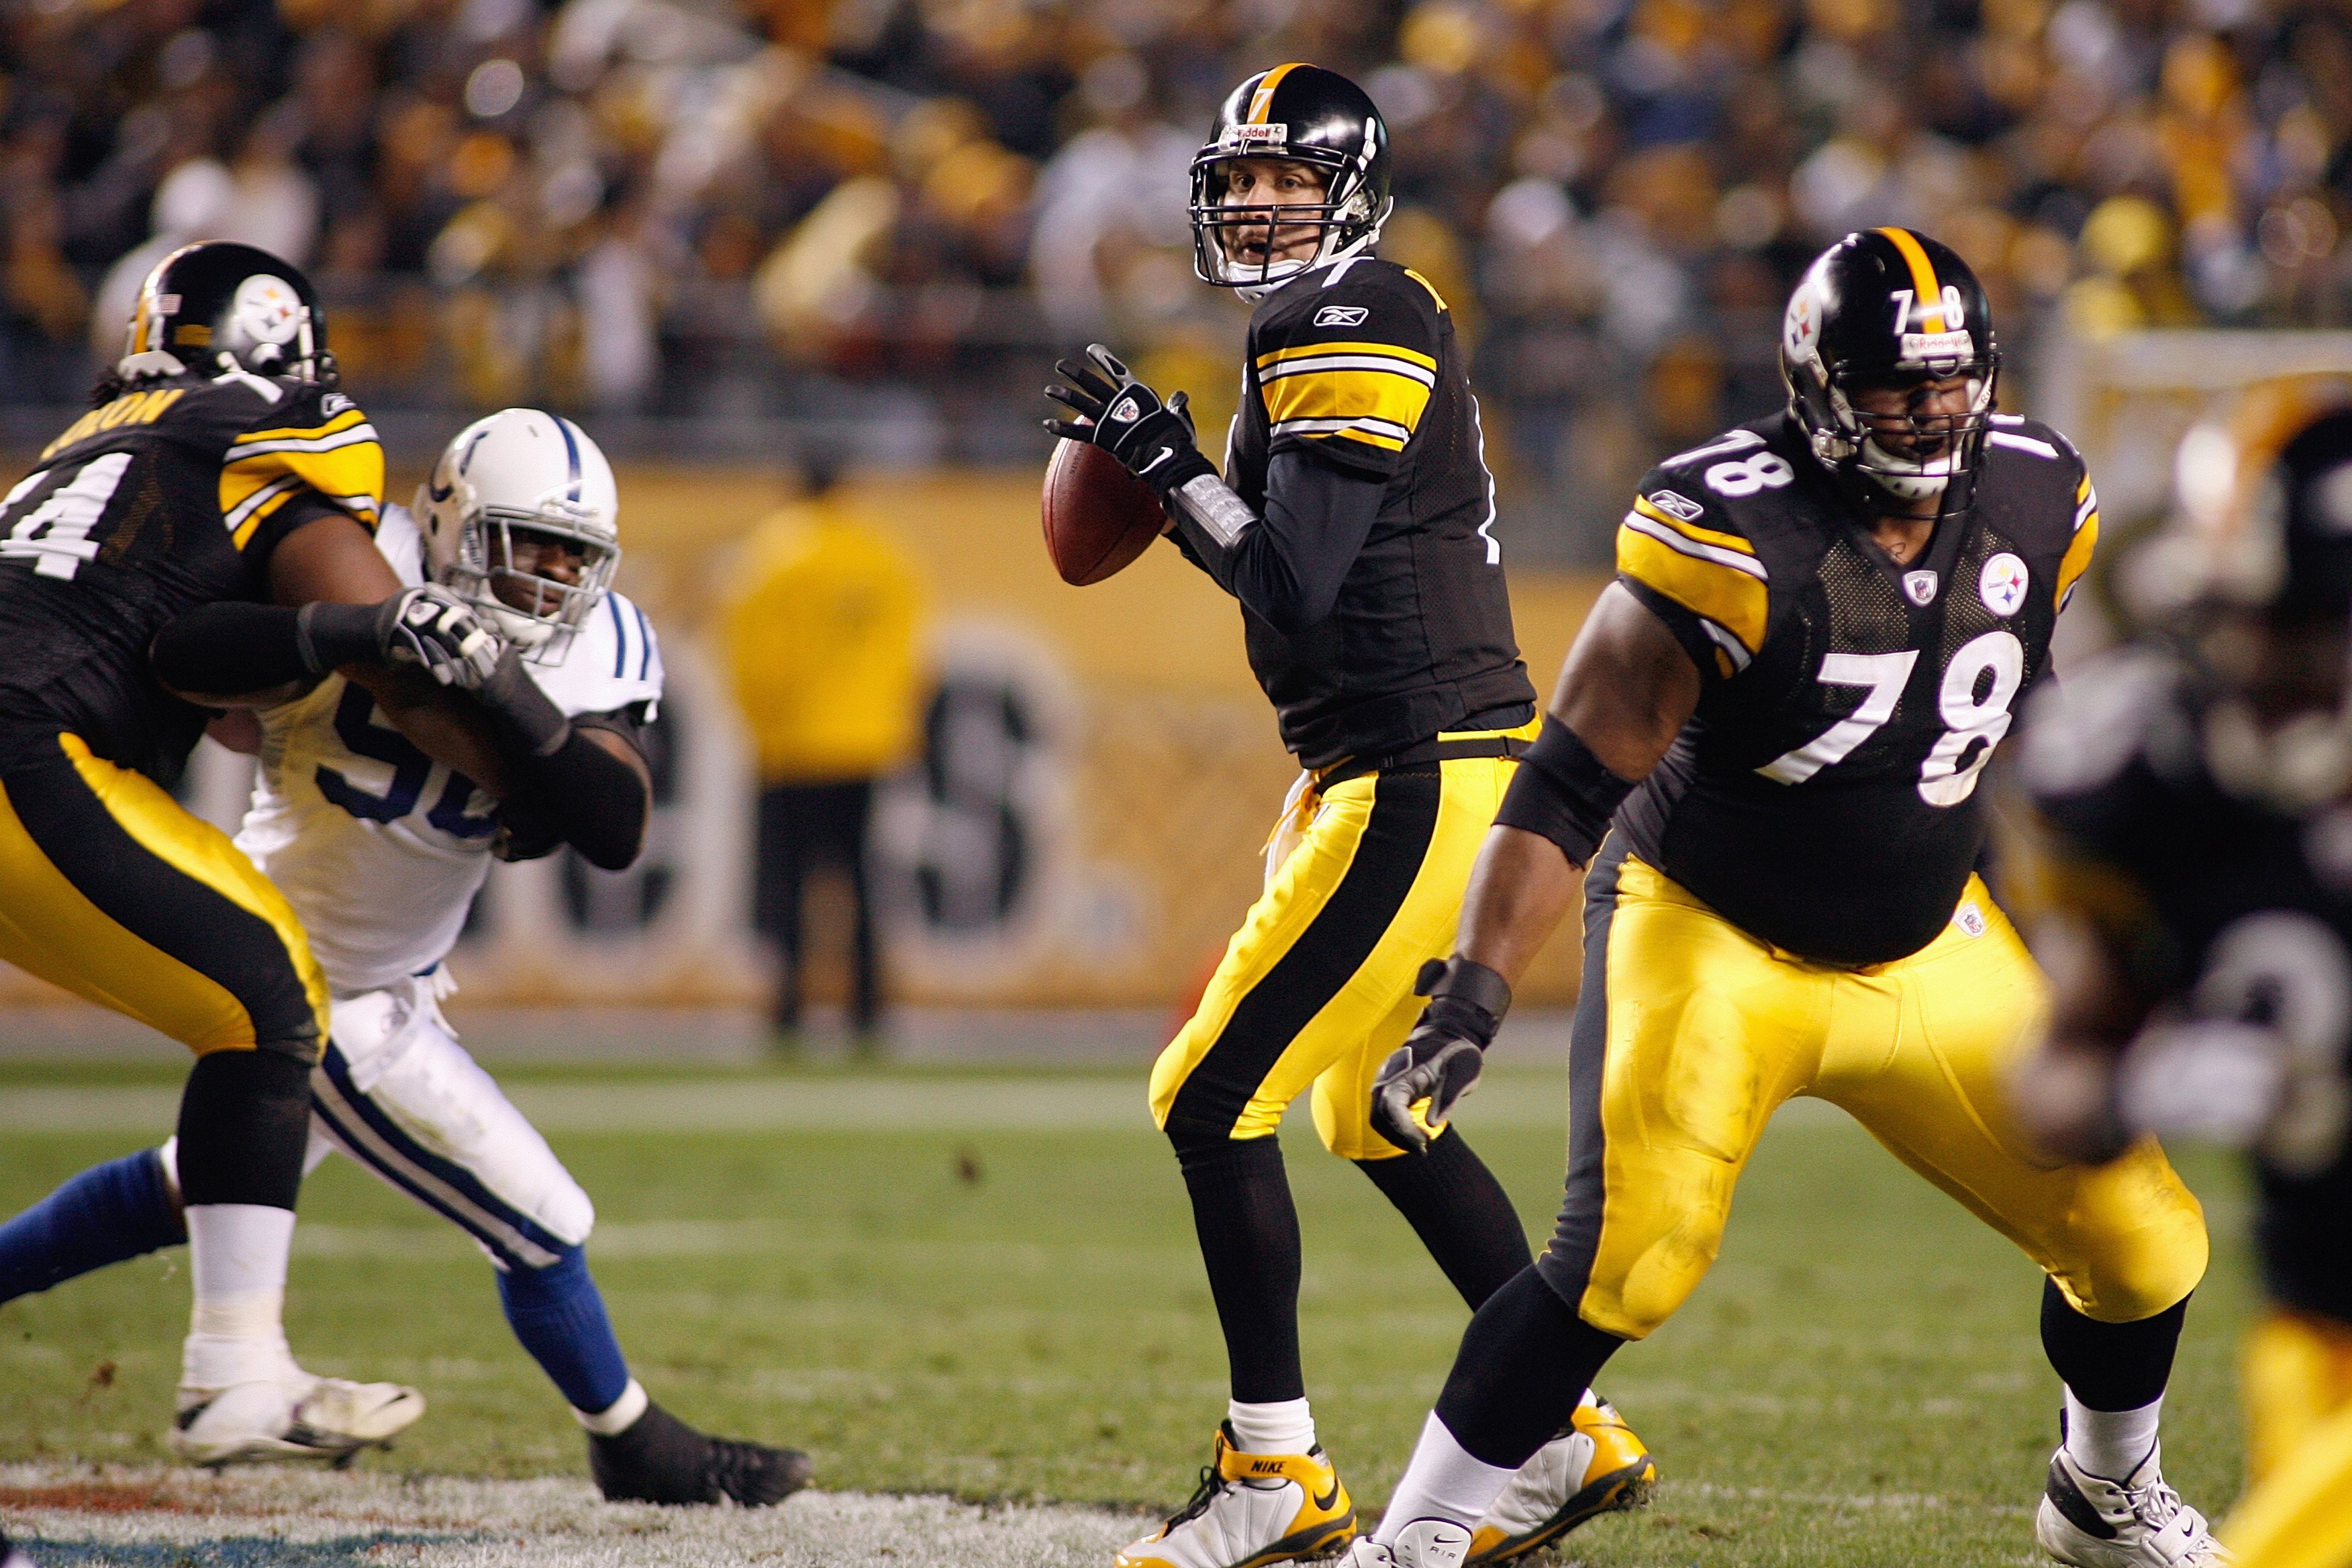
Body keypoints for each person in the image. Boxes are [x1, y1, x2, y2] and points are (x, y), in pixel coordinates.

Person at [1340, 229, 2222, 1568]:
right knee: (1632, 1252)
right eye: (1893, 389)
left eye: (1950, 382)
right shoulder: (1730, 528)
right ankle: (1409, 1542)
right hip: (1714, 929)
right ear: (1817, 389)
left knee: (2147, 1240)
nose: (1929, 415)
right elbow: (1568, 786)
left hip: (1930, 939)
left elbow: (2023, 732)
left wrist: (2108, 944)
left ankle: (2103, 1494)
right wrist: (1473, 992)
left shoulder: (2042, 492)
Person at [1044, 62, 1655, 1568]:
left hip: (1417, 764)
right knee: (1365, 1108)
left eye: (1287, 179)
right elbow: (1286, 578)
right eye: (1237, 177)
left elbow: (1296, 582)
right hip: (1421, 760)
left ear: (1351, 189)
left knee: (1205, 1097)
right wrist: (1171, 471)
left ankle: (1275, 1471)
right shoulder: (1325, 321)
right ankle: (1564, 1428)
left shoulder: (1344, 315)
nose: (1256, 201)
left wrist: (1166, 460)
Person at [0, 408, 812, 1507]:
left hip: (394, 978)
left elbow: (614, 822)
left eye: (574, 554)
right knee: (544, 1219)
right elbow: (181, 657)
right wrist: (350, 631)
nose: (552, 577)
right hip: (306, 979)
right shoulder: (351, 552)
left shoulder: (596, 641)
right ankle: (629, 1440)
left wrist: (506, 702)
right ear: (453, 524)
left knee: (191, 1184)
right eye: (530, 544)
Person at [0, 238, 522, 1465]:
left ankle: (238, 1369)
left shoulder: (92, 443)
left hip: (29, 724)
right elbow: (385, 643)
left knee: (250, 999)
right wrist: (528, 769)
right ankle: (235, 1371)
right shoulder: (292, 425)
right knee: (273, 992)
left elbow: (216, 674)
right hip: (27, 744)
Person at [2008, 378, 2352, 1568]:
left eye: (2292, 622)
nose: (2244, 653)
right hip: (2316, 1338)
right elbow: (2055, 1076)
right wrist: (2138, 1086)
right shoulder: (2161, 773)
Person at [720, 453, 925, 1044]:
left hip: (792, 744)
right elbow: (908, 648)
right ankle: (868, 1007)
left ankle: (785, 1004)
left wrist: (762, 723)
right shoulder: (881, 552)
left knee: (785, 880)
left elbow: (753, 655)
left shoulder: (771, 553)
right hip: (865, 742)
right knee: (860, 878)